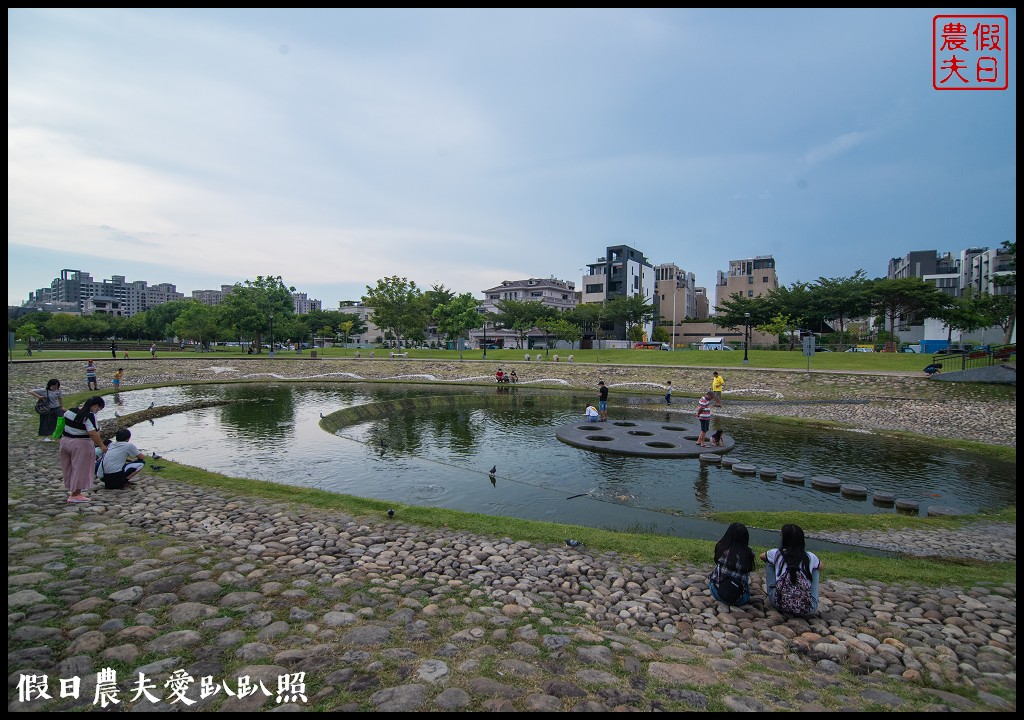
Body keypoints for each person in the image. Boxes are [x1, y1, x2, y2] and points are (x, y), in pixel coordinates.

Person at [759, 524, 825, 616]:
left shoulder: (776, 553)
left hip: (780, 604)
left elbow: (761, 556)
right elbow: (822, 566)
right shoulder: (809, 556)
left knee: (769, 562)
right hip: (808, 609)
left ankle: (778, 594)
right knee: (815, 569)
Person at [60, 396, 107, 503]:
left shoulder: (70, 411)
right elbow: (92, 433)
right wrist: (101, 445)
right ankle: (76, 494)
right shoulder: (89, 416)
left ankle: (72, 489)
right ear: (95, 406)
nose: (97, 411)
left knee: (69, 467)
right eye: (98, 409)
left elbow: (63, 423)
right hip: (80, 444)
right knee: (80, 468)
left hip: (65, 441)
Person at [708, 523, 756, 606]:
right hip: (739, 600)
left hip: (717, 593)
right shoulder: (749, 553)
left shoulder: (721, 547)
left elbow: (717, 562)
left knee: (716, 574)